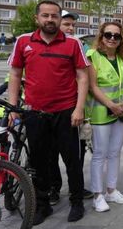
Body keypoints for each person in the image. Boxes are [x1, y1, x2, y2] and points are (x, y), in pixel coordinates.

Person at [7, 0, 89, 224]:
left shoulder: (72, 44)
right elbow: (15, 74)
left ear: (60, 19)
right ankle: (42, 205)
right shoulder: (24, 41)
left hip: (66, 112)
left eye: (54, 16)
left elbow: (83, 77)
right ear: (37, 18)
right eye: (46, 15)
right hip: (35, 113)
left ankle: (76, 202)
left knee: (72, 160)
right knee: (39, 162)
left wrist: (79, 108)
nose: (50, 20)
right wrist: (14, 106)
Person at [86, 22, 123, 212]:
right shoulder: (92, 56)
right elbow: (92, 86)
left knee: (115, 152)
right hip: (101, 112)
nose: (112, 39)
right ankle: (97, 195)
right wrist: (111, 105)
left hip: (122, 112)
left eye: (117, 36)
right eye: (108, 35)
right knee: (99, 154)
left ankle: (111, 191)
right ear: (101, 36)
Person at [49, 10, 94, 205]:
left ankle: (77, 187)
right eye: (66, 24)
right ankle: (54, 187)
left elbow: (84, 77)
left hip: (74, 106)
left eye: (72, 25)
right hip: (49, 108)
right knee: (50, 152)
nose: (70, 28)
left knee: (76, 152)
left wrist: (80, 107)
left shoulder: (79, 46)